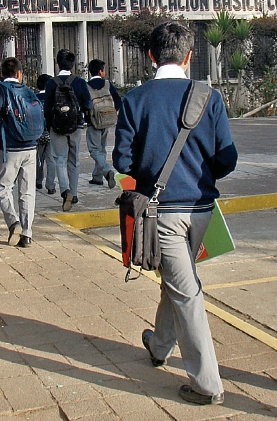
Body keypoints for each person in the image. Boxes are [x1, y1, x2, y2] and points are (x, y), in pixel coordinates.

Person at [113, 21, 237, 406]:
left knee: (187, 292)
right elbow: (227, 159)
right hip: (201, 210)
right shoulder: (208, 97)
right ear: (188, 56)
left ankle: (207, 384)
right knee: (180, 280)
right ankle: (160, 345)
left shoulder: (135, 100)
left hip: (160, 214)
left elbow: (121, 160)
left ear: (150, 55)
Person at [0, 57, 39, 248]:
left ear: (2, 73)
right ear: (19, 73)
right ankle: (27, 234)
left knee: (4, 188)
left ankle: (13, 222)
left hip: (10, 147)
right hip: (31, 147)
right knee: (27, 192)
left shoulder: (0, 89)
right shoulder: (28, 91)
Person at [44, 49, 92, 211]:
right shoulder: (79, 82)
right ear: (72, 64)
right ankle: (75, 193)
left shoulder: (51, 83)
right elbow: (88, 104)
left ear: (57, 63)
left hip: (56, 127)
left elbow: (47, 108)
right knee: (74, 160)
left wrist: (50, 124)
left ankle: (65, 191)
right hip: (76, 126)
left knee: (59, 159)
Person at [86, 59, 121, 189]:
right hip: (108, 121)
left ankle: (106, 170)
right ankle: (97, 177)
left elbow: (85, 103)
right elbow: (118, 100)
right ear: (100, 71)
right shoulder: (107, 84)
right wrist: (112, 112)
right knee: (101, 149)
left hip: (93, 122)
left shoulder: (86, 85)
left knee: (94, 150)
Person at [35, 74, 56, 194]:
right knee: (51, 159)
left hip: (38, 132)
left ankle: (38, 181)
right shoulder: (52, 98)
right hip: (51, 132)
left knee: (38, 158)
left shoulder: (34, 98)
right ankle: (50, 185)